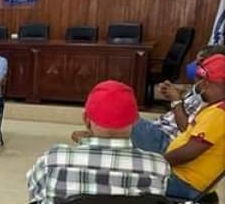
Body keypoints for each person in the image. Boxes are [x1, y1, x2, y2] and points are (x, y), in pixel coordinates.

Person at [25, 80, 170, 204]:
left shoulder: (54, 158)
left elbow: (34, 190)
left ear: (86, 119)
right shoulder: (158, 166)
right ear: (135, 120)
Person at [71, 45, 224, 152]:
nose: (195, 66)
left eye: (200, 63)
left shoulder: (215, 99)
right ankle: (102, 137)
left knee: (118, 108)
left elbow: (188, 131)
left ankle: (99, 137)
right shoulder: (201, 86)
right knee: (117, 110)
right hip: (157, 127)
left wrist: (176, 100)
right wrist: (180, 94)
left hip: (167, 140)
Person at [164, 54, 225, 200]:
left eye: (199, 81)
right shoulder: (215, 107)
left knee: (129, 176)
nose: (197, 86)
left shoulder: (219, 113)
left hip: (186, 183)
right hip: (184, 177)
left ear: (206, 83)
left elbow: (188, 153)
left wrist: (156, 161)